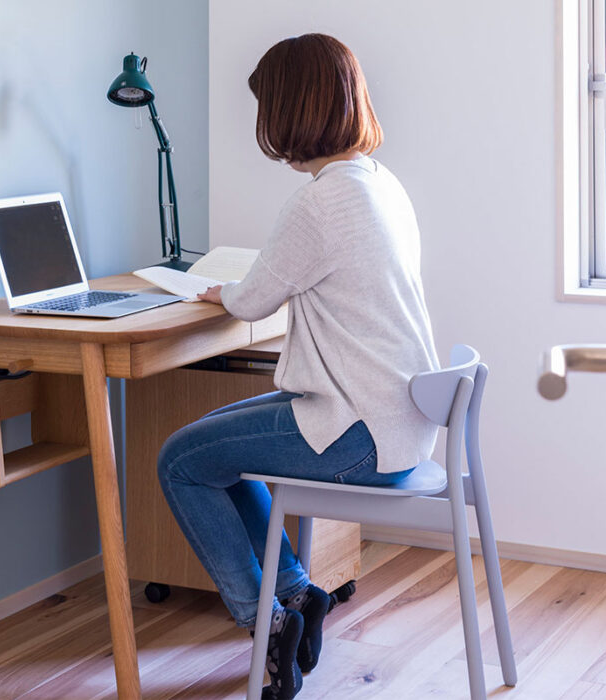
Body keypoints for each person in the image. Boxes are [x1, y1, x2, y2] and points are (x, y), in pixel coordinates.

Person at [157, 33, 439, 700]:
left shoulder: (323, 199)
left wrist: (215, 292)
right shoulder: (378, 181)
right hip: (394, 415)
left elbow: (254, 296)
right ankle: (296, 597)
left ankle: (267, 624)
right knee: (209, 443)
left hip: (359, 429)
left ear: (293, 110)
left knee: (181, 460)